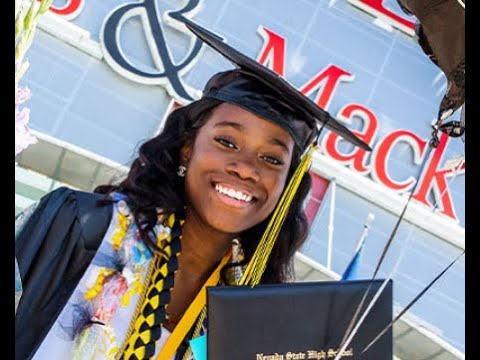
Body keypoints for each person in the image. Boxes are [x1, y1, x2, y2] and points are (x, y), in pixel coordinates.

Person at [15, 20, 369, 360]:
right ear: (188, 147)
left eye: (272, 160)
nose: (246, 167)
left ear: (287, 186)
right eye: (227, 141)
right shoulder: (83, 225)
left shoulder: (253, 326)